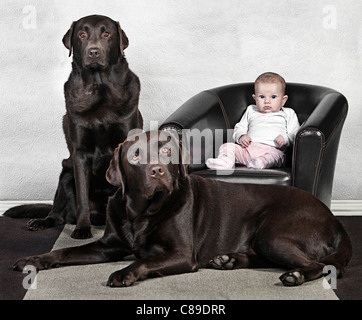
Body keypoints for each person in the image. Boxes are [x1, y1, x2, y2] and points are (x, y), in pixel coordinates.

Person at [206, 72, 300, 170]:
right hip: (247, 149)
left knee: (276, 157)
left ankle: (261, 162)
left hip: (273, 149)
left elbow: (295, 133)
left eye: (273, 97)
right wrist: (241, 136)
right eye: (262, 97)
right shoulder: (251, 110)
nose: (267, 101)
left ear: (283, 100)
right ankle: (224, 162)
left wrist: (285, 138)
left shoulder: (288, 113)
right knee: (227, 146)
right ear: (255, 98)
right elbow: (240, 127)